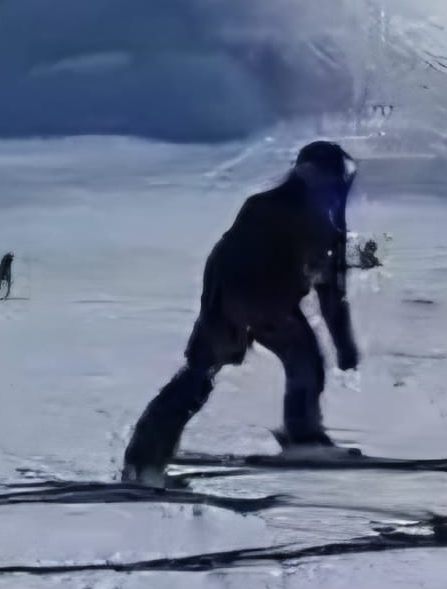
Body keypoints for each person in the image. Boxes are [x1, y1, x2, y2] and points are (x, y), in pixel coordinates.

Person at [121, 142, 361, 486]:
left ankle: (144, 458)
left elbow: (223, 259)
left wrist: (216, 316)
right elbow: (329, 289)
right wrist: (344, 345)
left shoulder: (271, 207)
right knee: (303, 360)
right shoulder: (313, 217)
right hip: (258, 299)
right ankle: (303, 438)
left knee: (201, 374)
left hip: (231, 297)